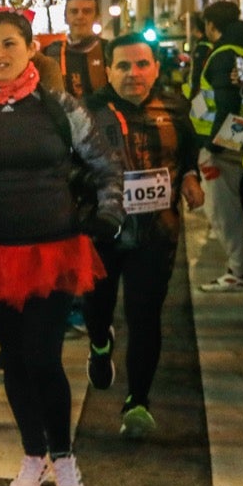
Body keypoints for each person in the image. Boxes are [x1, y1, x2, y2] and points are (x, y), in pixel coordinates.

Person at [0, 11, 123, 486]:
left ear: (30, 50)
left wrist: (109, 214)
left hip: (52, 249)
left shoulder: (60, 107)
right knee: (16, 361)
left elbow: (106, 166)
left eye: (9, 44)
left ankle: (64, 461)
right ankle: (32, 455)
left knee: (43, 357)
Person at [82, 34, 205, 438]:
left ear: (154, 68)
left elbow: (188, 151)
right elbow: (67, 165)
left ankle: (137, 400)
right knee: (97, 307)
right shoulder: (87, 112)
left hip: (157, 233)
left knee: (145, 315)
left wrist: (190, 177)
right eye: (123, 66)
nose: (133, 74)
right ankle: (100, 344)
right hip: (103, 233)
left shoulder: (174, 107)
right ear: (108, 70)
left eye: (141, 65)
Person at [191, 1, 243, 293]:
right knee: (232, 206)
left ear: (211, 25)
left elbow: (229, 105)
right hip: (239, 142)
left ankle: (237, 272)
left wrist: (216, 146)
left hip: (223, 147)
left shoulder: (223, 54)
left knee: (223, 210)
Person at [42, 0, 109, 99]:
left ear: (97, 17)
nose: (80, 16)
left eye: (87, 11)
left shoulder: (109, 50)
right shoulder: (50, 52)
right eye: (74, 11)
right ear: (65, 18)